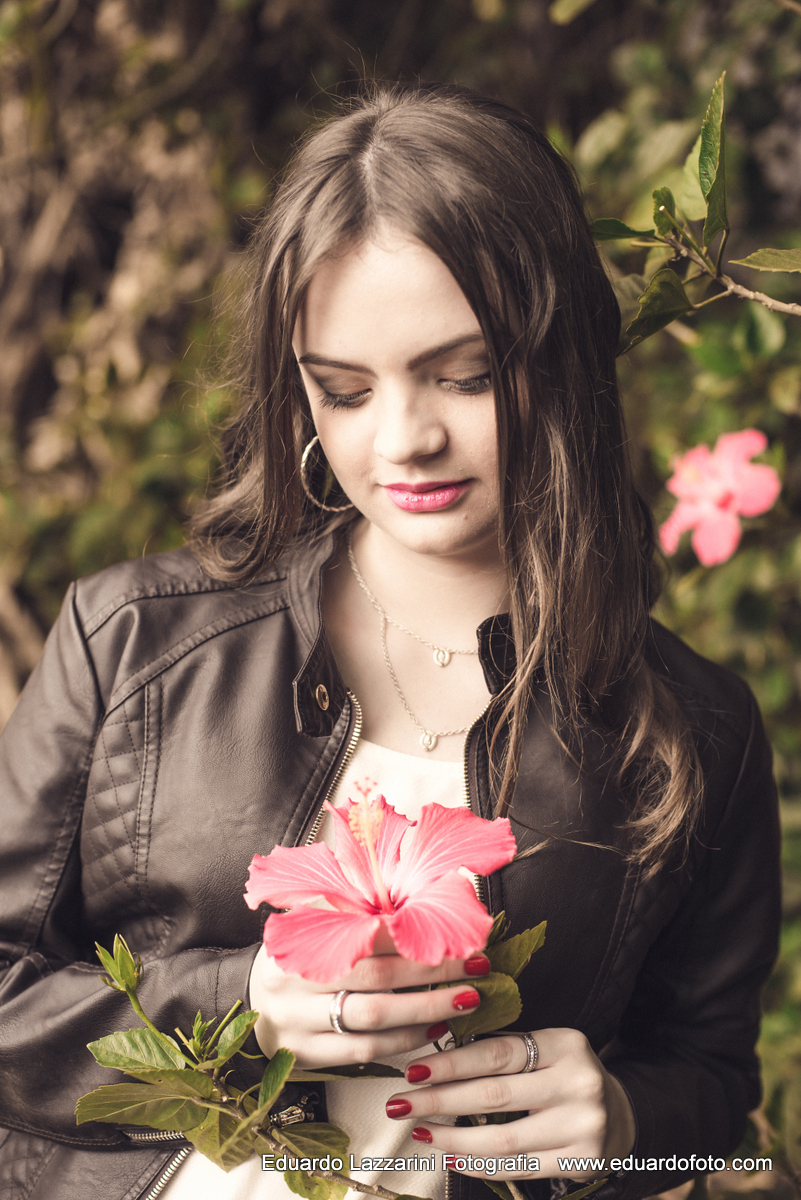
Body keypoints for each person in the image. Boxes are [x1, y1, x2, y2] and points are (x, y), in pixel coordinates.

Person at [0, 82, 781, 1200]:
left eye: (463, 376)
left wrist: (624, 1122)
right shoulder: (132, 644)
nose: (407, 439)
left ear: (558, 359)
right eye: (346, 391)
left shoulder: (695, 730)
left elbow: (717, 1118)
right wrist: (243, 1005)